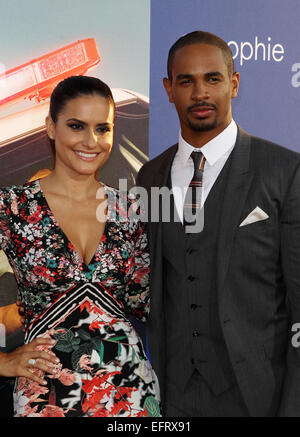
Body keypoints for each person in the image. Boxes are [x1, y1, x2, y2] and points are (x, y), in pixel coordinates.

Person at [137, 30, 300, 417]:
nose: (200, 94)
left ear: (235, 83)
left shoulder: (284, 171)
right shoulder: (149, 176)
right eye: (186, 81)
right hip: (170, 394)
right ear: (168, 89)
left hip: (259, 395)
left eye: (212, 78)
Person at [0, 75, 160, 417]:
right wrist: (2, 360)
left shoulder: (129, 211)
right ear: (51, 127)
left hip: (131, 394)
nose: (92, 141)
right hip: (48, 398)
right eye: (77, 126)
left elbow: (149, 303)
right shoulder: (13, 209)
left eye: (103, 128)